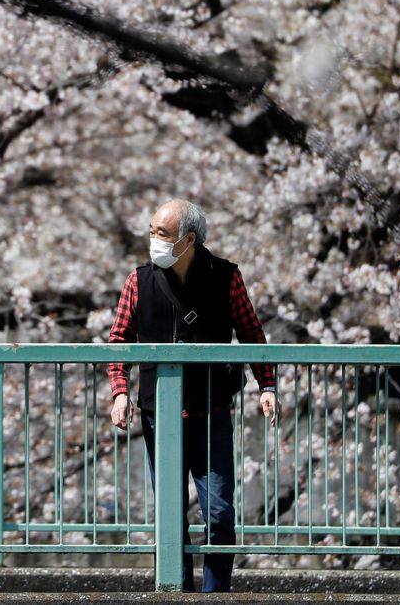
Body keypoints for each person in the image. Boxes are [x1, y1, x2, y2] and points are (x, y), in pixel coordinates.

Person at [107, 199, 276, 593]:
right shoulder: (138, 281)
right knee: (170, 513)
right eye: (151, 231)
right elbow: (118, 342)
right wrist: (120, 393)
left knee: (220, 511)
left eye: (162, 234)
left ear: (189, 240)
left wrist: (266, 386)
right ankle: (175, 591)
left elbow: (252, 334)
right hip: (157, 414)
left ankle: (216, 595)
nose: (153, 240)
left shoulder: (226, 277)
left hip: (212, 410)